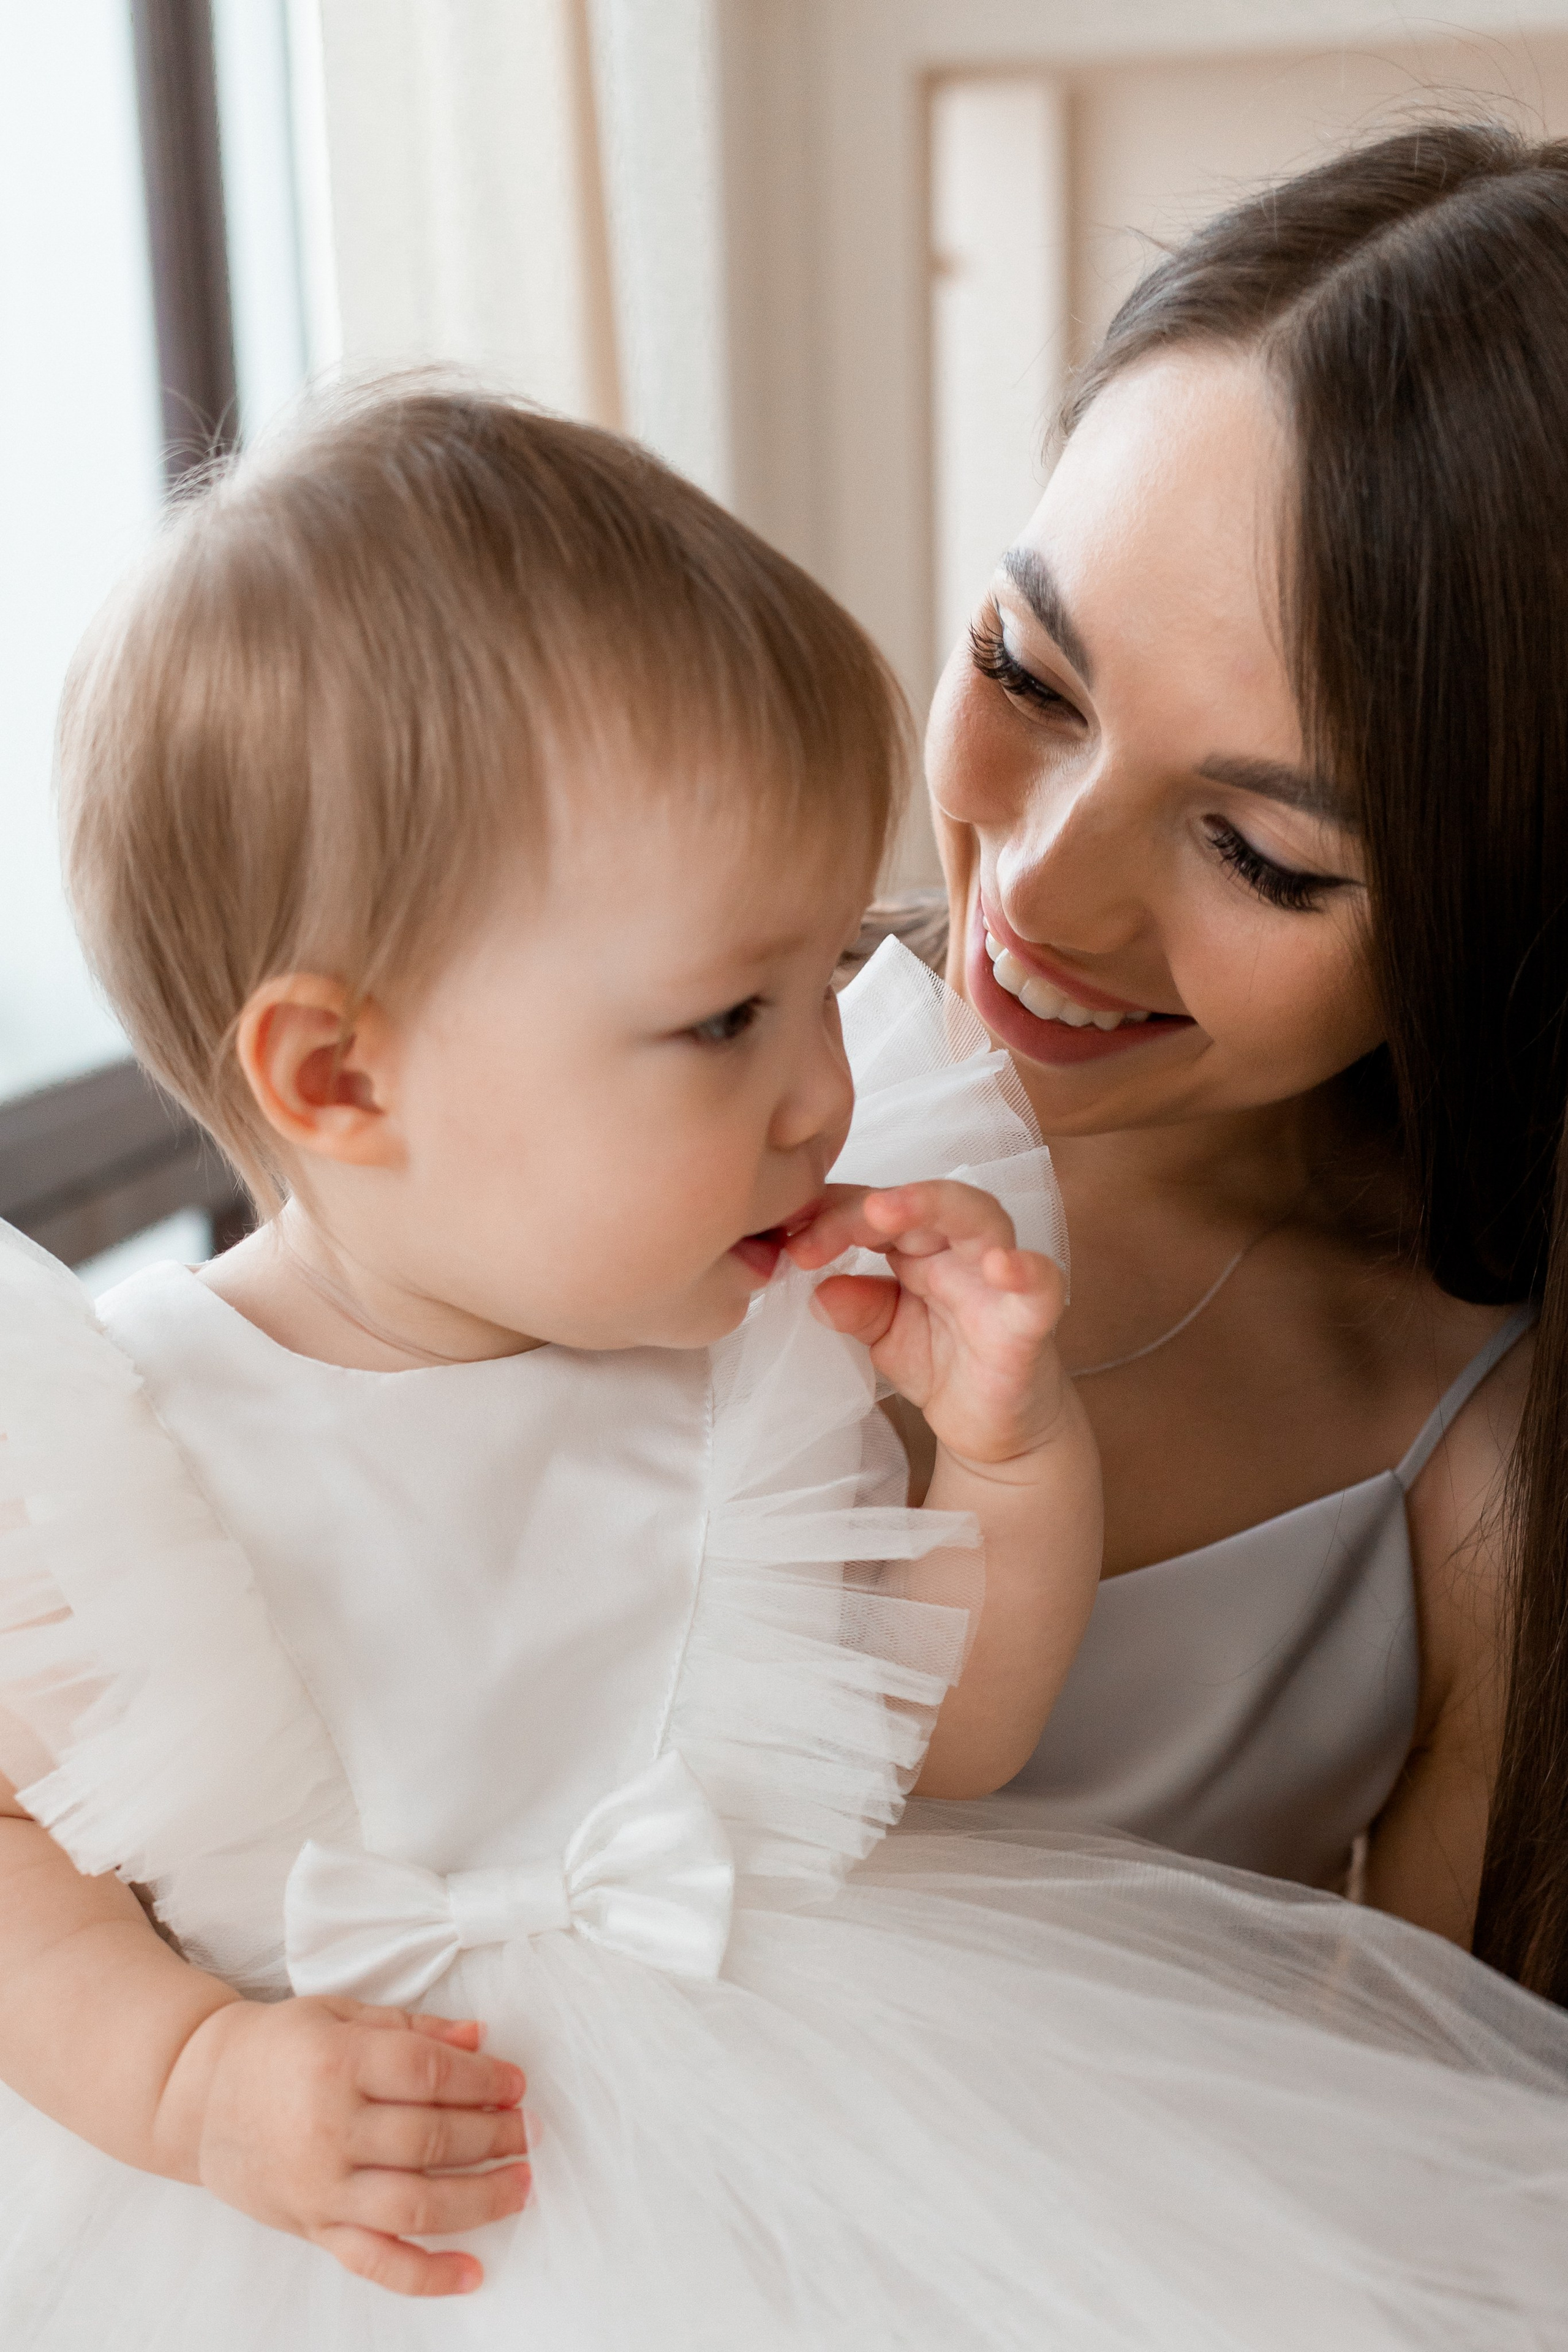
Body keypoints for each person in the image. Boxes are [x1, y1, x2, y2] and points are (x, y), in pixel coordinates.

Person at [3, 386, 1568, 2348]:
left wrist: (1006, 1449)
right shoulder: (110, 1440)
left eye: (830, 978)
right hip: (299, 2233)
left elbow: (954, 1744)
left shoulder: (757, 1368)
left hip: (811, 2162)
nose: (829, 1089)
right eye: (728, 1019)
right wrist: (185, 2083)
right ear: (340, 1077)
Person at [905, 123, 1568, 1972]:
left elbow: (1459, 2149)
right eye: (1028, 674)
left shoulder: (1474, 1468)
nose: (1043, 892)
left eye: (1264, 853)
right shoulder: (626, 1041)